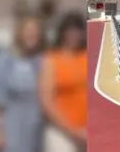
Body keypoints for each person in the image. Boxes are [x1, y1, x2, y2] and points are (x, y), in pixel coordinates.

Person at [0, 14, 46, 152]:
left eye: (36, 32)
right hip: (12, 130)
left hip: (36, 133)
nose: (32, 35)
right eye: (28, 31)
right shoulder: (6, 59)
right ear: (20, 33)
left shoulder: (42, 60)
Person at [39, 12, 87, 152]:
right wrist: (73, 131)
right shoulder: (52, 59)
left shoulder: (88, 56)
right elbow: (46, 102)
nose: (74, 35)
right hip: (61, 133)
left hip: (88, 132)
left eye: (78, 31)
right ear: (62, 33)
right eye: (70, 31)